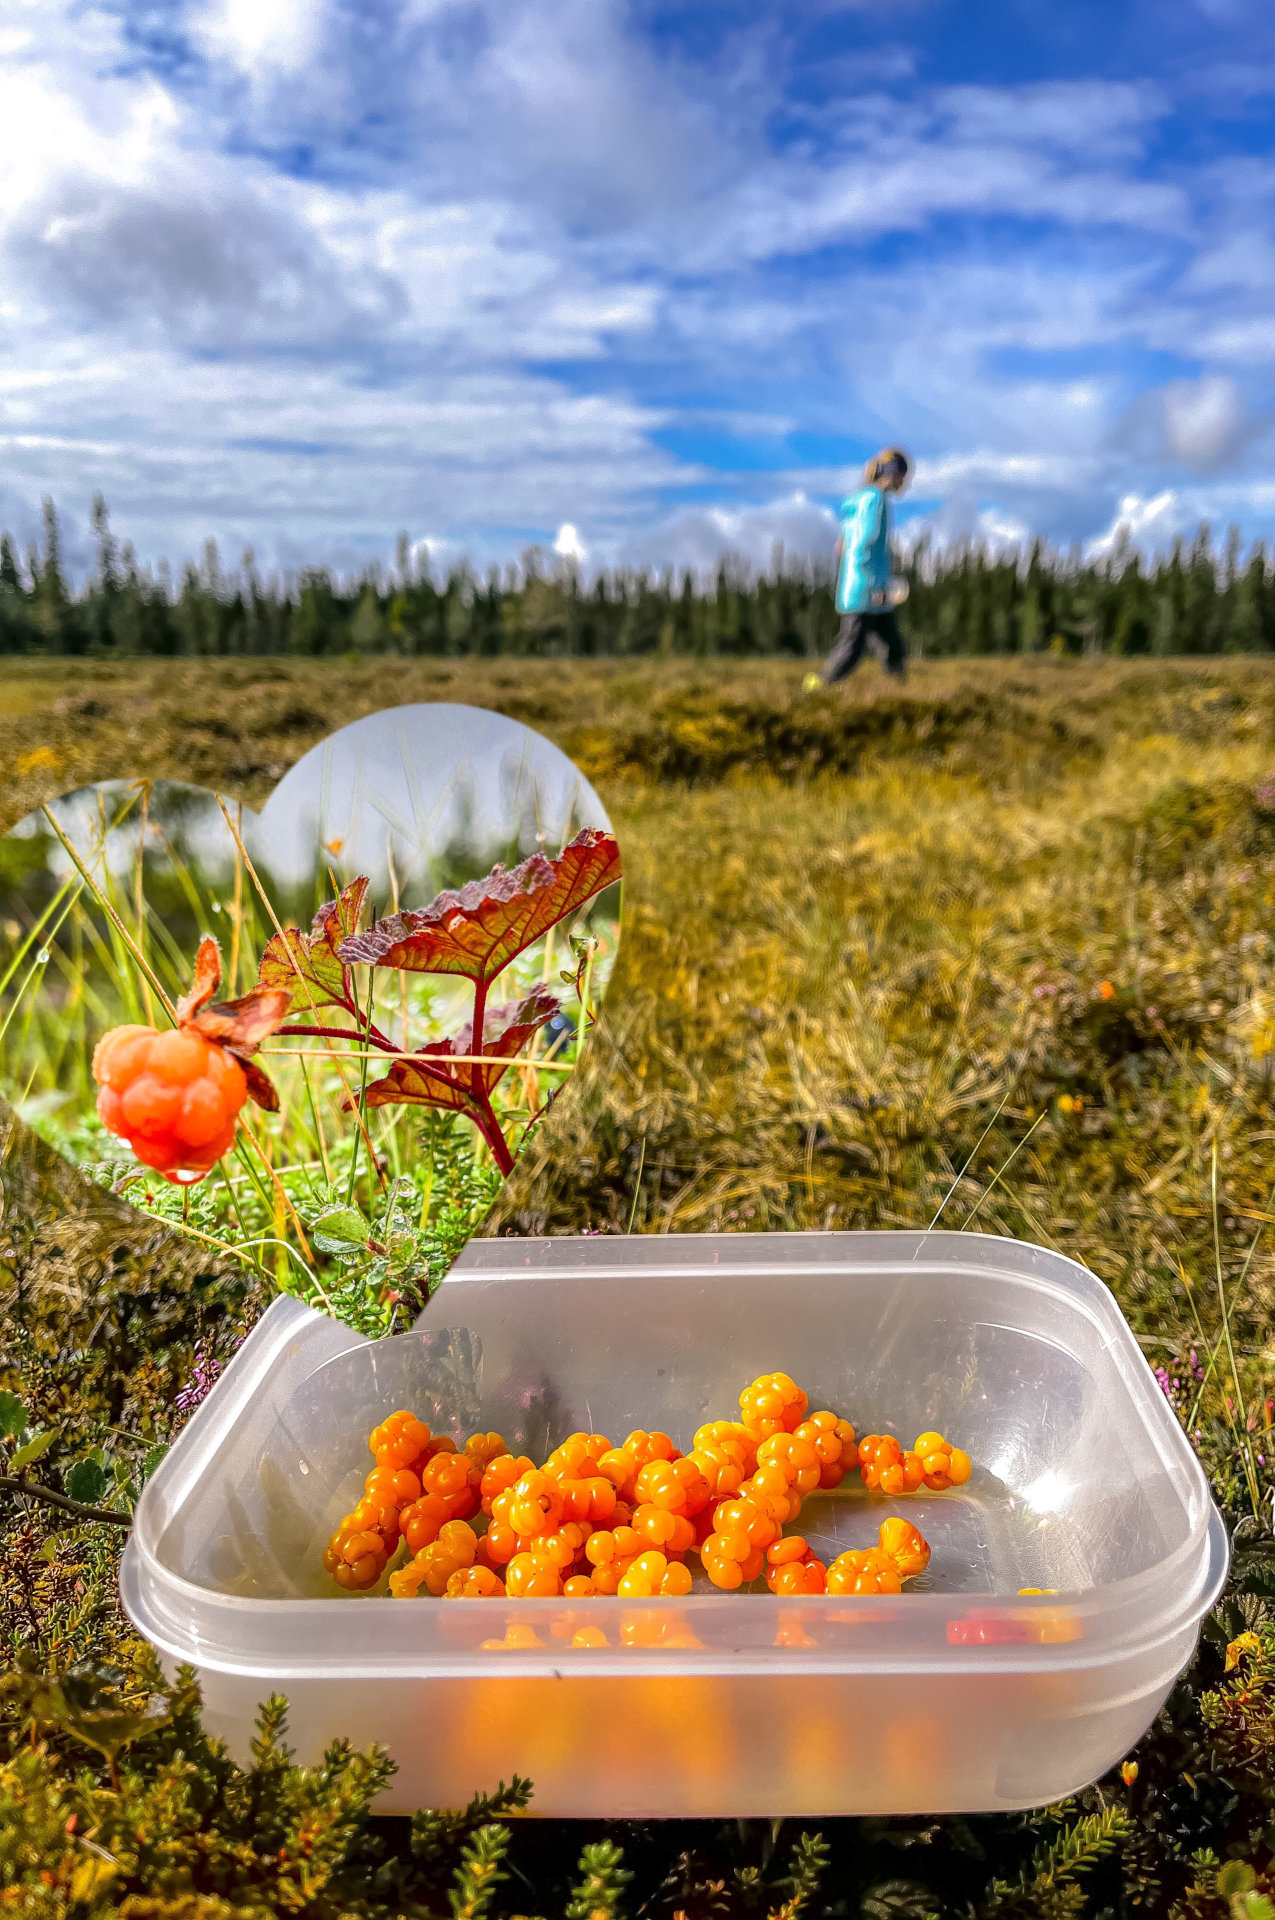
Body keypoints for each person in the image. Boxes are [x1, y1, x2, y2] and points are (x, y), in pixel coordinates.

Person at [821, 447, 913, 685]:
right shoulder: (876, 500)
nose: (904, 480)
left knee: (892, 645)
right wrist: (875, 586)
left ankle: (899, 691)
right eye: (902, 473)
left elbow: (842, 546)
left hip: (859, 585)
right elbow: (866, 541)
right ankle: (816, 689)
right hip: (867, 590)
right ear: (892, 472)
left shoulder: (857, 503)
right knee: (852, 648)